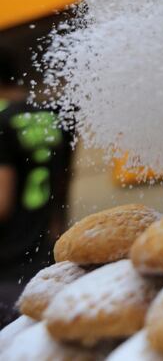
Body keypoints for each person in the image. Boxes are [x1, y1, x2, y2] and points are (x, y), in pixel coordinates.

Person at [0, 49, 71, 326]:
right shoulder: (53, 117)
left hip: (5, 267)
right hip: (46, 265)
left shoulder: (1, 120)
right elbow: (62, 189)